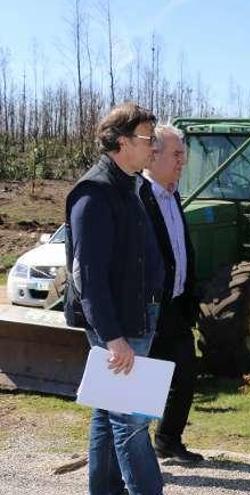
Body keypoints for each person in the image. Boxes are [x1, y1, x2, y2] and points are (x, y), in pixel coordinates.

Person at [64, 102, 166, 494]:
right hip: (119, 325)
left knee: (109, 415)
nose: (154, 146)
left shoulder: (130, 185)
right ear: (122, 142)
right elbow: (87, 277)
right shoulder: (95, 193)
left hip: (136, 316)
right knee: (132, 421)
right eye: (147, 138)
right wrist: (113, 337)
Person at [139, 125, 203, 463]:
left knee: (184, 374)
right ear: (154, 155)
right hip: (148, 308)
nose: (183, 161)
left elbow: (181, 250)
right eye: (177, 154)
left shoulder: (173, 194)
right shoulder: (139, 196)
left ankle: (168, 441)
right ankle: (136, 453)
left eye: (184, 155)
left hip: (177, 306)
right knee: (143, 384)